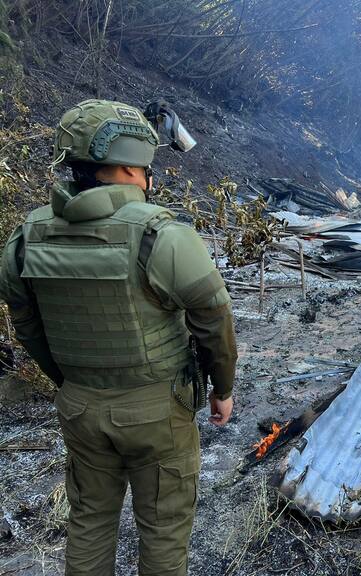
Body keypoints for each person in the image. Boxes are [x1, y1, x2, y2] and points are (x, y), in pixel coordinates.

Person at [0, 99, 238, 575]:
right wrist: (223, 389)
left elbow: (26, 324)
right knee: (164, 530)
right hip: (158, 411)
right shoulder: (162, 237)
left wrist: (69, 377)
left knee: (88, 522)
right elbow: (214, 316)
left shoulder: (26, 238)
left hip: (81, 408)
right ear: (130, 167)